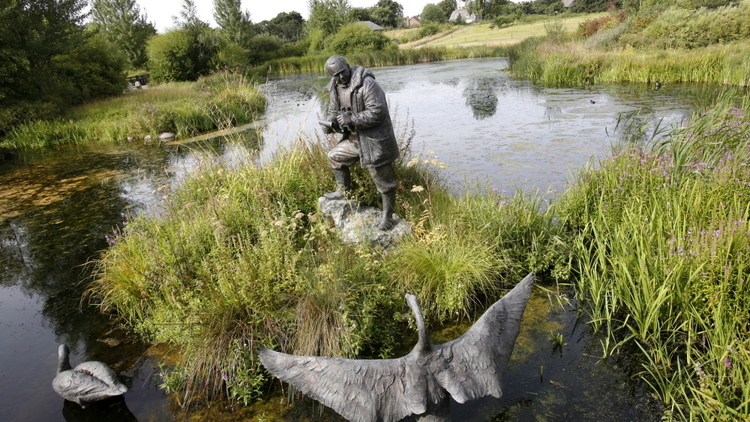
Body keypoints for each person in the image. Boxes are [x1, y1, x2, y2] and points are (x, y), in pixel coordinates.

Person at [320, 55, 400, 230]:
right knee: (334, 157)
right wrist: (330, 124)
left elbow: (378, 112)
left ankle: (388, 216)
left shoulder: (367, 83)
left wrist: (353, 119)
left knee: (384, 182)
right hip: (354, 140)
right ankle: (343, 193)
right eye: (336, 75)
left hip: (374, 142)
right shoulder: (335, 87)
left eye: (342, 73)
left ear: (348, 67)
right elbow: (334, 111)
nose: (341, 78)